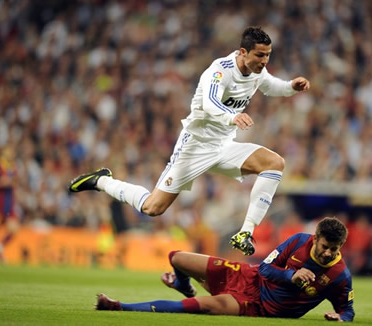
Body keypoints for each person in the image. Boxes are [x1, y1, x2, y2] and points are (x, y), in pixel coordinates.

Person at [68, 26, 310, 255]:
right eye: (260, 55)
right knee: (153, 207)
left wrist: (291, 87)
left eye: (268, 55)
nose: (265, 60)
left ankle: (245, 232)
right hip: (195, 146)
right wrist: (232, 116)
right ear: (243, 52)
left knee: (274, 163)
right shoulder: (219, 71)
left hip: (224, 146)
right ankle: (102, 181)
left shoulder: (258, 70)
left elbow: (271, 85)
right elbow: (209, 102)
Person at [95, 217, 355, 322]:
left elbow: (348, 310)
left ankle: (119, 306)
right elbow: (265, 268)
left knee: (207, 305)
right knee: (177, 257)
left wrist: (341, 318)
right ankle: (183, 285)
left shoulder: (339, 276)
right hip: (249, 276)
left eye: (335, 248)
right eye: (325, 246)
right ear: (316, 237)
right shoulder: (299, 240)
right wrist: (290, 275)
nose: (329, 253)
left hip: (260, 307)